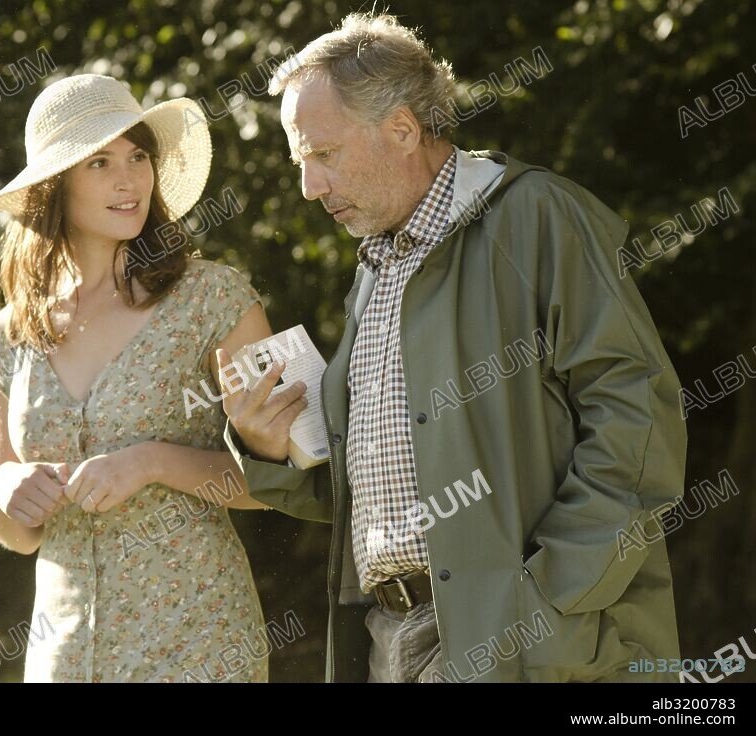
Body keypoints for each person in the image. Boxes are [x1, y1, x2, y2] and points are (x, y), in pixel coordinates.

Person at [218, 11, 687, 682]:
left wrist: (550, 595)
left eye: (323, 155)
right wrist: (272, 453)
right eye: (301, 162)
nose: (309, 187)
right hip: (385, 641)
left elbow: (638, 416)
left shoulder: (537, 217)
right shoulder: (375, 266)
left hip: (520, 636)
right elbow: (378, 484)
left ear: (403, 129)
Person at [0, 74, 275, 682]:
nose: (129, 178)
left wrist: (152, 462)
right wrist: (8, 491)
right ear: (53, 188)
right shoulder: (7, 337)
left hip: (198, 643)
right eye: (101, 162)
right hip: (63, 653)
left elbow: (287, 476)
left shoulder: (214, 297)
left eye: (139, 156)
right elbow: (15, 530)